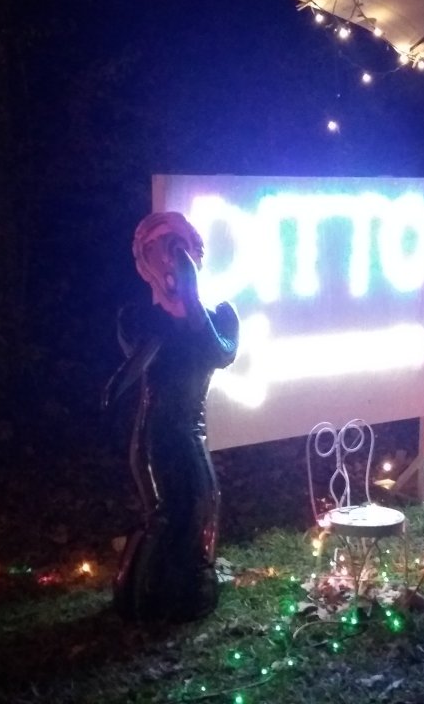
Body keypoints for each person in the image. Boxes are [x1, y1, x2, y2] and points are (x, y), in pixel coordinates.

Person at [104, 211, 239, 622]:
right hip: (157, 433)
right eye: (155, 249)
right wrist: (175, 305)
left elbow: (220, 353)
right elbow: (139, 358)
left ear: (195, 252)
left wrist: (192, 300)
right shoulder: (139, 317)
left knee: (202, 506)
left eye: (177, 245)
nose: (167, 256)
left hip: (192, 430)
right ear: (143, 264)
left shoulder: (220, 316)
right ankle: (140, 601)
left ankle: (185, 590)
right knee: (166, 513)